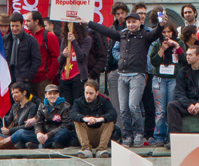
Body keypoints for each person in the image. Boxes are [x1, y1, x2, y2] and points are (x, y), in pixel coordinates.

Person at [88, 10, 166, 148]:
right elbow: (106, 31)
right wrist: (89, 23)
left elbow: (156, 33)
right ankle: (127, 135)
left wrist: (161, 25)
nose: (131, 25)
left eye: (134, 22)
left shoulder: (145, 36)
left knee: (133, 106)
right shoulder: (123, 35)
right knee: (123, 109)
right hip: (122, 76)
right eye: (129, 22)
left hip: (137, 76)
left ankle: (138, 134)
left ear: (139, 22)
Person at [149, 21, 183, 145]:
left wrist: (177, 47)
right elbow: (154, 62)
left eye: (169, 32)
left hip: (173, 79)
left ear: (173, 32)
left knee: (171, 108)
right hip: (159, 79)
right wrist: (162, 49)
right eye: (164, 32)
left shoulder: (179, 43)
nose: (167, 34)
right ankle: (159, 135)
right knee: (160, 109)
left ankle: (170, 136)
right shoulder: (157, 44)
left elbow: (184, 59)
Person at [0, 82, 38, 149]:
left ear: (24, 92)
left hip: (23, 134)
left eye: (16, 92)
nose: (14, 95)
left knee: (20, 132)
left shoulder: (32, 106)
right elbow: (8, 120)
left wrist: (9, 130)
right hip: (12, 136)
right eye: (12, 94)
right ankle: (11, 145)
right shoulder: (15, 106)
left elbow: (27, 126)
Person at [68, 79, 117, 157]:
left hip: (101, 134)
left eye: (91, 93)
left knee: (110, 121)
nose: (88, 96)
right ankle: (86, 148)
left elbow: (113, 114)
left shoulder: (104, 101)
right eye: (86, 93)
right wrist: (85, 118)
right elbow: (72, 114)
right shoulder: (78, 102)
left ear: (97, 93)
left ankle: (101, 149)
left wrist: (99, 119)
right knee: (77, 120)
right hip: (85, 134)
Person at [25, 11, 60, 100]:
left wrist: (49, 77)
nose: (26, 23)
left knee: (44, 107)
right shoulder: (27, 36)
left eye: (28, 21)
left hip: (44, 80)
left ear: (36, 21)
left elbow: (56, 58)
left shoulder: (49, 36)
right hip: (30, 79)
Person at [58, 22, 93, 104]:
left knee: (77, 103)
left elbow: (81, 57)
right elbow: (59, 60)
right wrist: (63, 55)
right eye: (67, 25)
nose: (69, 27)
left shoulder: (87, 39)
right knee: (66, 105)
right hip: (65, 77)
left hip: (78, 76)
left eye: (71, 25)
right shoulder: (64, 40)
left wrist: (74, 41)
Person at [5, 13, 42, 85]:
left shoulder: (31, 40)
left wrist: (28, 76)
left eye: (17, 26)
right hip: (8, 78)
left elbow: (36, 60)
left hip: (23, 79)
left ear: (22, 25)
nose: (14, 29)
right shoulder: (5, 39)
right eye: (12, 26)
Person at [34, 83, 73, 150]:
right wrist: (38, 133)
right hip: (45, 131)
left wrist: (48, 135)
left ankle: (46, 144)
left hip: (58, 132)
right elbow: (38, 122)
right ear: (46, 95)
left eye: (55, 93)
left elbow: (66, 125)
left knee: (64, 133)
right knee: (25, 134)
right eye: (50, 94)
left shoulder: (65, 106)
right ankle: (48, 143)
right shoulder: (42, 106)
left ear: (58, 94)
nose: (52, 96)